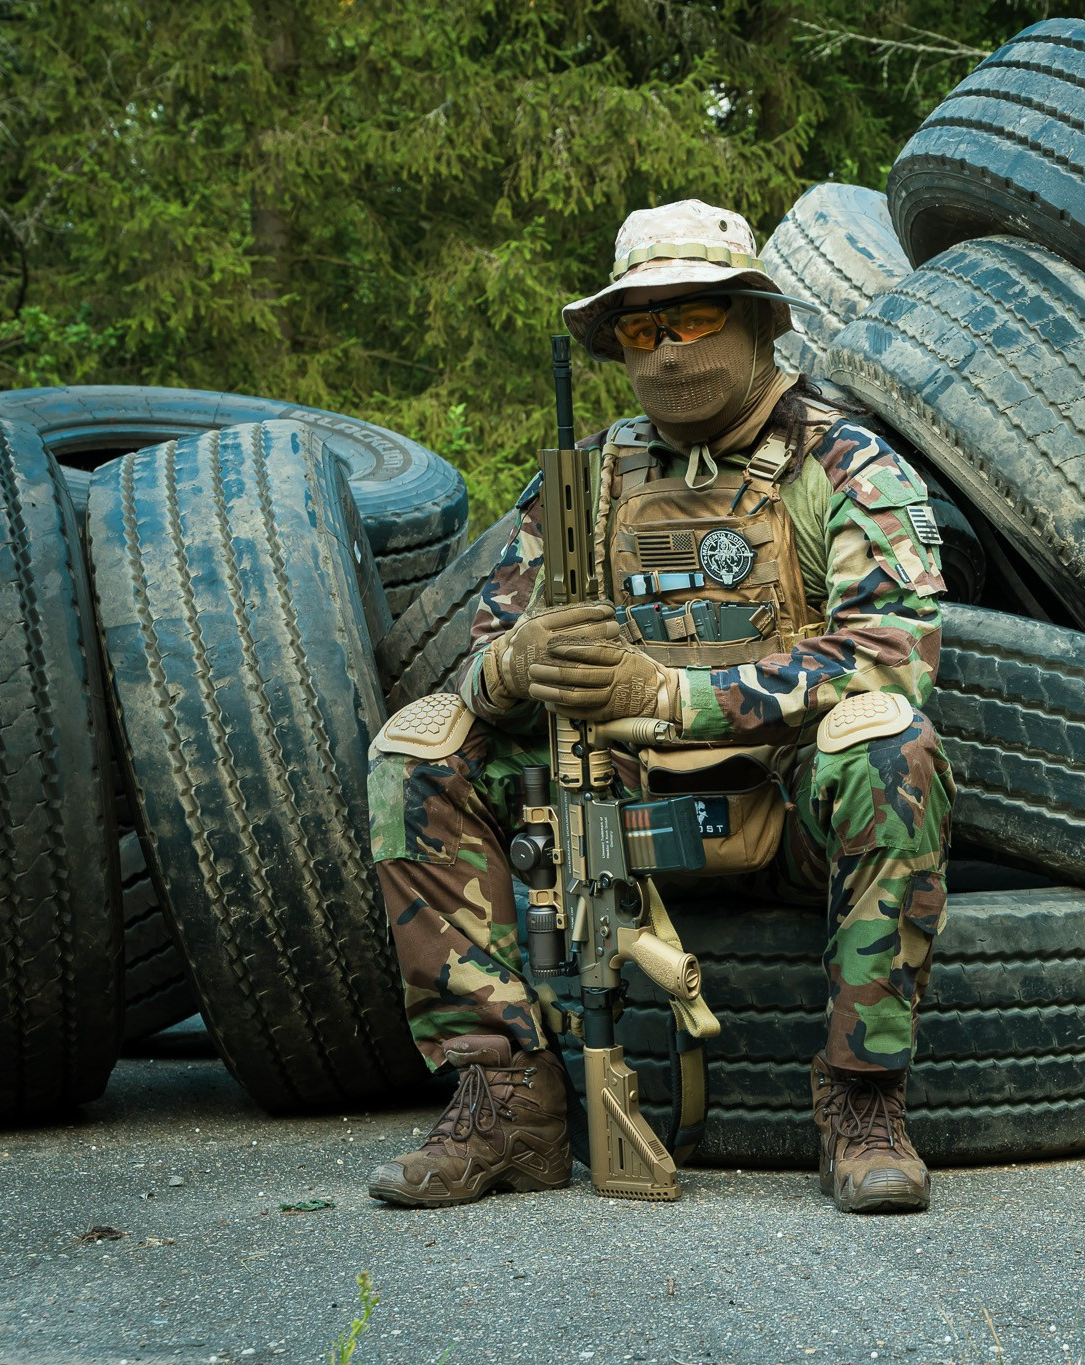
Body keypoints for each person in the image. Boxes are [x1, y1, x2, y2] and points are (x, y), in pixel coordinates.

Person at [363, 200, 953, 1215]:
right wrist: (515, 665)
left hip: (787, 808)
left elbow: (893, 652)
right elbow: (481, 659)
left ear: (758, 324)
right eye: (641, 330)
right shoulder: (585, 478)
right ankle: (506, 1097)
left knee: (889, 742)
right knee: (419, 752)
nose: (667, 351)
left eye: (693, 321)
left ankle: (862, 1100)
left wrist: (672, 693)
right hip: (612, 811)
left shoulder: (845, 464)